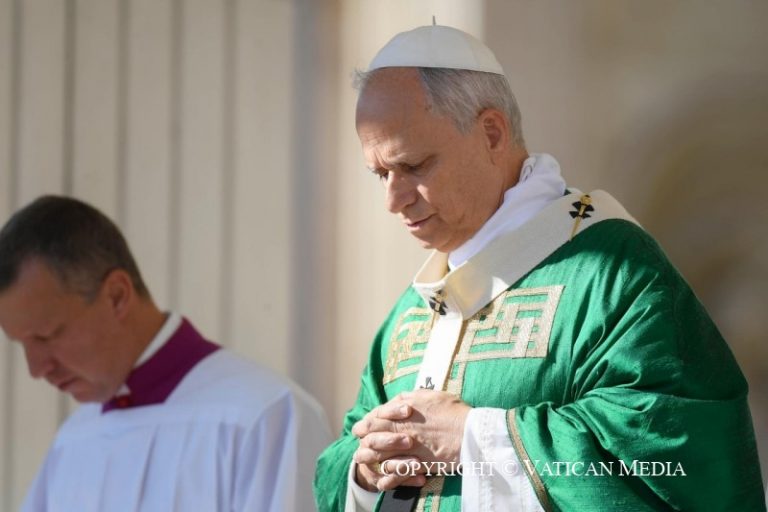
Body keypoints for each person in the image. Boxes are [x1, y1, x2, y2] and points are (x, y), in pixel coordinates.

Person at [314, 24, 766, 511]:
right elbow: (341, 455)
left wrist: (473, 436)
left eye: (414, 166)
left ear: (491, 133)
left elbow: (675, 456)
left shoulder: (609, 273)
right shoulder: (413, 311)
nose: (393, 200)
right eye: (381, 173)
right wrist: (364, 470)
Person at [0, 195, 331, 512]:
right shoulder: (72, 441)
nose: (36, 368)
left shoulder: (266, 418)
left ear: (117, 296)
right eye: (21, 343)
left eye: (47, 335)